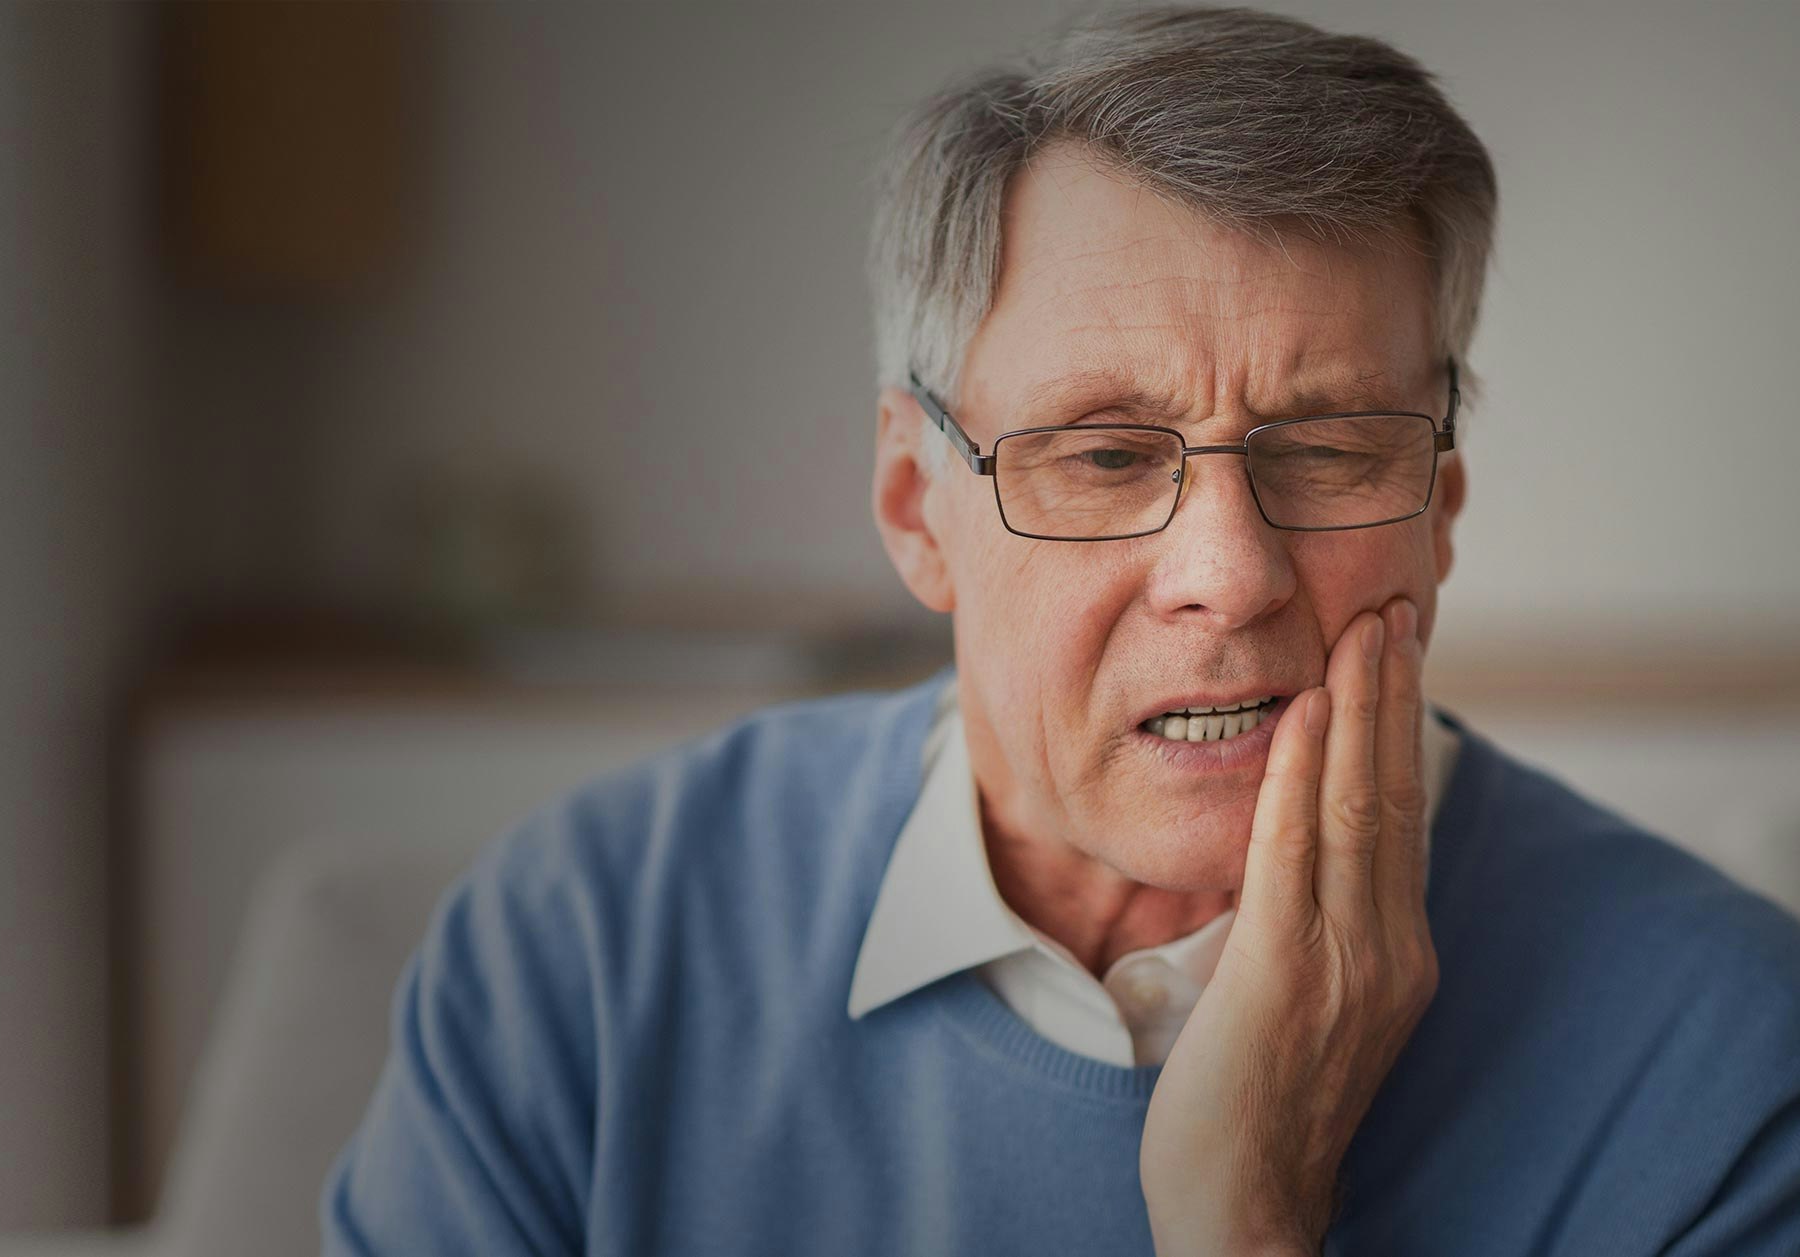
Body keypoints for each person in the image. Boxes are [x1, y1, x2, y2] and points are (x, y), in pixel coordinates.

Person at [322, 8, 1800, 1254]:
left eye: (1332, 447)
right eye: (1103, 456)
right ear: (916, 507)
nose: (1228, 575)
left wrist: (1250, 1217)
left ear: (1441, 511)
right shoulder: (576, 956)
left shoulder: (1731, 1063)